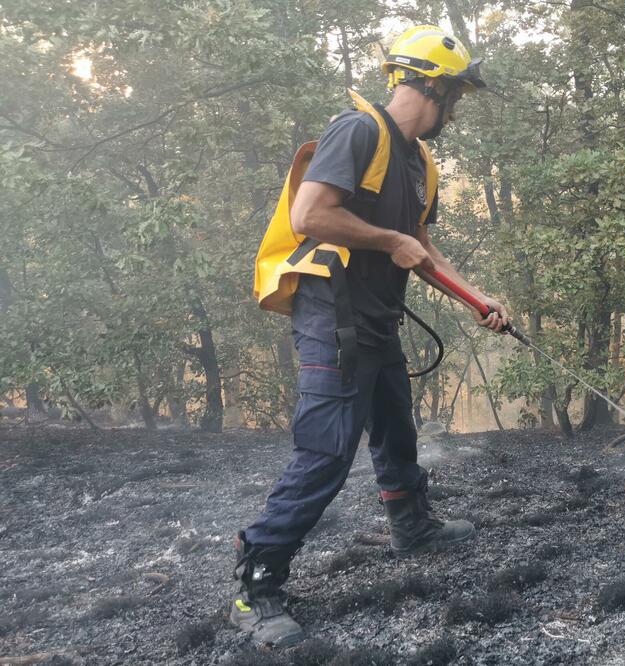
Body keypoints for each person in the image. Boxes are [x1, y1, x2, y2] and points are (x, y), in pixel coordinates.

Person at [232, 25, 509, 647]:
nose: (455, 110)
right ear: (430, 86)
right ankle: (256, 584)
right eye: (455, 96)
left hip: (376, 317)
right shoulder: (359, 131)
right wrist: (388, 240)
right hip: (331, 317)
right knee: (327, 451)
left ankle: (411, 526)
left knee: (394, 425)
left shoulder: (418, 161)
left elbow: (423, 249)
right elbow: (310, 216)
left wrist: (477, 298)